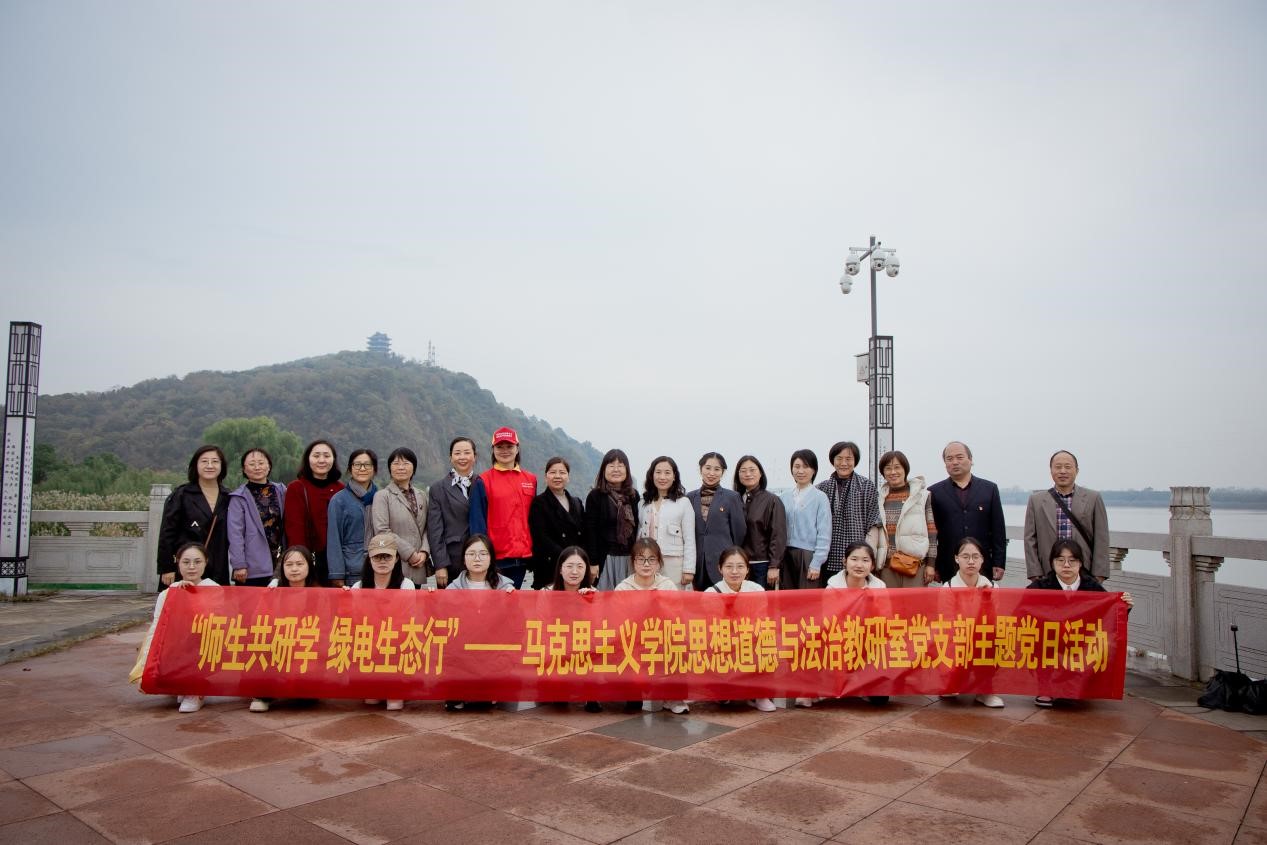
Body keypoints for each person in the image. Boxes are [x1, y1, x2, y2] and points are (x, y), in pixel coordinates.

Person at [1027, 539, 1134, 707]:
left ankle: (1079, 684)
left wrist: (1124, 607)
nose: (1066, 565)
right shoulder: (1040, 586)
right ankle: (1046, 687)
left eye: (1072, 560)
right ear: (1052, 563)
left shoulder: (1091, 587)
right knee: (1037, 639)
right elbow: (1020, 612)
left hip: (1081, 642)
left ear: (1080, 563)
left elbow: (1109, 616)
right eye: (1060, 560)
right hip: (1051, 642)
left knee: (1103, 642)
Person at [132, 542, 220, 712]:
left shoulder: (214, 589)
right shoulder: (168, 593)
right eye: (186, 562)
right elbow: (158, 626)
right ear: (178, 562)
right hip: (176, 645)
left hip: (203, 644)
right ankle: (182, 685)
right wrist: (145, 666)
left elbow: (217, 624)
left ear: (206, 563)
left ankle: (196, 691)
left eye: (197, 562)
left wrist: (193, 598)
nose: (192, 567)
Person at [445, 533, 514, 713]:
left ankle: (488, 688)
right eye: (471, 554)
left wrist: (512, 601)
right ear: (464, 558)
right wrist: (432, 598)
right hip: (462, 650)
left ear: (491, 558)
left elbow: (513, 626)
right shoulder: (452, 589)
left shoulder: (506, 588)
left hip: (492, 650)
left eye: (483, 554)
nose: (477, 559)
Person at [615, 538, 685, 714]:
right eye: (641, 559)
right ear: (633, 562)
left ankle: (673, 698)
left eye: (651, 559)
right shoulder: (623, 588)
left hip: (662, 642)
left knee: (680, 645)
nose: (646, 564)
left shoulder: (667, 585)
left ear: (659, 562)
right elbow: (617, 622)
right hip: (633, 644)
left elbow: (677, 618)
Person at [705, 547, 776, 713]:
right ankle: (724, 688)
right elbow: (710, 628)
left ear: (748, 569)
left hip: (751, 640)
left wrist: (747, 635)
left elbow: (762, 620)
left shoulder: (756, 590)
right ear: (720, 568)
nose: (734, 572)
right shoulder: (711, 593)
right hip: (723, 643)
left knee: (767, 641)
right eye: (729, 566)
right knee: (723, 698)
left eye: (740, 566)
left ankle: (760, 694)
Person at [1023, 450, 1110, 582]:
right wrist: (1034, 572)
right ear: (1051, 471)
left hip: (1083, 570)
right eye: (1058, 467)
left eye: (1068, 467)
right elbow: (1030, 538)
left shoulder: (1093, 498)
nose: (1063, 471)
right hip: (1048, 571)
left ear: (1077, 470)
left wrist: (1099, 573)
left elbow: (1101, 537)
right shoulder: (1036, 500)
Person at [351, 533, 415, 712]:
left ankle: (397, 686)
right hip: (369, 646)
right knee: (370, 701)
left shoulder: (406, 585)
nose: (382, 561)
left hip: (396, 645)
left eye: (387, 556)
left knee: (394, 705)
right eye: (377, 557)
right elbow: (354, 623)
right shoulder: (357, 588)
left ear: (396, 558)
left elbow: (408, 621)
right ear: (369, 559)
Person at [928, 442, 1007, 585]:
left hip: (982, 562)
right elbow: (931, 534)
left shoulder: (989, 489)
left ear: (970, 459)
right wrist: (933, 565)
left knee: (983, 598)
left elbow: (998, 530)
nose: (955, 462)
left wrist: (999, 562)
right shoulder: (934, 492)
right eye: (949, 459)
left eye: (959, 457)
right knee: (950, 599)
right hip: (948, 563)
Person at [253, 545, 320, 713]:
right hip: (277, 648)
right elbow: (258, 623)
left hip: (306, 649)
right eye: (289, 564)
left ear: (309, 566)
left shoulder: (320, 593)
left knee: (307, 698)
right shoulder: (272, 592)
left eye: (300, 564)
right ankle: (263, 695)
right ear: (282, 568)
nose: (294, 569)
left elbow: (326, 627)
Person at [940, 536, 1004, 708]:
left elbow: (995, 621)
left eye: (976, 557)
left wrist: (985, 601)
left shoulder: (992, 587)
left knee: (992, 639)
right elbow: (946, 623)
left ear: (982, 559)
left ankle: (985, 690)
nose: (971, 561)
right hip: (957, 640)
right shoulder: (948, 588)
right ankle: (951, 678)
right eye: (965, 556)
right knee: (952, 687)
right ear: (956, 558)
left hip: (981, 639)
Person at [469, 427, 536, 589]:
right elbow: (477, 523)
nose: (505, 451)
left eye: (509, 446)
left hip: (523, 557)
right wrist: (482, 555)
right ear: (493, 450)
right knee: (493, 602)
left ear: (517, 448)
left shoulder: (531, 479)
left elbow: (534, 519)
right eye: (499, 447)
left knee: (513, 601)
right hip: (496, 559)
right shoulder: (483, 481)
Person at [825, 541, 888, 706]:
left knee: (881, 699)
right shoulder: (832, 587)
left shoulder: (880, 587)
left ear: (872, 565)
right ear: (844, 561)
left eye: (865, 560)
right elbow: (827, 622)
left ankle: (862, 682)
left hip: (869, 643)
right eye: (854, 559)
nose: (859, 565)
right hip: (839, 642)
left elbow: (885, 619)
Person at [158, 445, 231, 588]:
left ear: (222, 466)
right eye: (204, 461)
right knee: (183, 601)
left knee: (215, 602)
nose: (210, 465)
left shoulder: (228, 496)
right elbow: (167, 533)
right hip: (187, 566)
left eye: (215, 461)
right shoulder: (181, 495)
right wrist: (167, 567)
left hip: (217, 566)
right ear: (195, 465)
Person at [816, 441, 882, 587]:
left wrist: (868, 555)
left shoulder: (866, 486)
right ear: (832, 460)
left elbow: (873, 523)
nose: (844, 463)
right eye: (839, 458)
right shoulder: (822, 488)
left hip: (858, 557)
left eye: (848, 459)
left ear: (855, 461)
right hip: (828, 555)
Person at [547, 546, 601, 713]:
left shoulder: (594, 593)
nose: (575, 572)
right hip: (557, 646)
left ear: (586, 570)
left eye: (580, 566)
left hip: (584, 646)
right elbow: (541, 625)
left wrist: (589, 603)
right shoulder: (547, 593)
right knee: (559, 699)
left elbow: (600, 628)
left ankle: (591, 694)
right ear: (560, 569)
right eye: (569, 566)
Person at [874, 450, 938, 588]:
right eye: (888, 468)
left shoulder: (922, 496)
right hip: (887, 566)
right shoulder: (878, 498)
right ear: (883, 472)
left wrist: (931, 564)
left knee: (914, 601)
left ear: (905, 469)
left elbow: (932, 531)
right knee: (888, 601)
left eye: (897, 467)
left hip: (914, 565)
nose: (893, 472)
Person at [284, 440, 344, 585]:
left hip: (337, 560)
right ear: (308, 459)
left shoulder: (341, 489)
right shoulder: (296, 488)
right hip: (308, 558)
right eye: (316, 456)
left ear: (333, 460)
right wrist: (300, 561)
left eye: (326, 456)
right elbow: (294, 529)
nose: (321, 460)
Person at [226, 448, 287, 587]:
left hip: (279, 562)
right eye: (252, 464)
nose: (257, 467)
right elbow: (235, 534)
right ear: (244, 469)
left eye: (261, 463)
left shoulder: (280, 490)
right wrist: (239, 564)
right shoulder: (239, 497)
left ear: (269, 466)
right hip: (252, 565)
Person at [372, 447, 431, 586]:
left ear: (414, 468)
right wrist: (410, 554)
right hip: (395, 565)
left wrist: (424, 552)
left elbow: (428, 527)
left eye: (406, 463)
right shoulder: (382, 496)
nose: (401, 467)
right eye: (396, 463)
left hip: (418, 566)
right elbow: (382, 530)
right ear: (390, 468)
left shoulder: (421, 495)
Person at [687, 453, 746, 591]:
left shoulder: (732, 497)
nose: (711, 473)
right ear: (700, 469)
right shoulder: (690, 497)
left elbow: (739, 532)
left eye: (717, 469)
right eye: (708, 468)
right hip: (698, 564)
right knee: (700, 601)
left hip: (723, 562)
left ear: (723, 472)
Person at [585, 448, 640, 592]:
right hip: (605, 558)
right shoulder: (595, 496)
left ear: (627, 470)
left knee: (628, 597)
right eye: (611, 466)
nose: (616, 469)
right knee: (604, 597)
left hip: (629, 558)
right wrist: (593, 562)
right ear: (604, 469)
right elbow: (590, 531)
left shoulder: (633, 496)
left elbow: (637, 528)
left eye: (620, 466)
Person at [637, 456, 695, 589]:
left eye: (667, 473)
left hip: (674, 565)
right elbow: (639, 535)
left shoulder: (683, 503)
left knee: (673, 599)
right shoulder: (643, 503)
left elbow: (689, 539)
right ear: (652, 475)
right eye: (658, 472)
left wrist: (689, 569)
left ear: (674, 476)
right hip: (647, 563)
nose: (662, 477)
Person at [528, 457, 586, 590]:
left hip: (574, 566)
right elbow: (540, 537)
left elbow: (584, 533)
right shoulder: (539, 503)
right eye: (553, 472)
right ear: (545, 477)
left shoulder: (577, 503)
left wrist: (579, 558)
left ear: (568, 477)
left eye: (562, 472)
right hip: (550, 564)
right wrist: (566, 557)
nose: (557, 476)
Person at [427, 436, 477, 589]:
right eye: (457, 453)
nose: (462, 457)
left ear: (474, 456)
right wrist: (440, 565)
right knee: (449, 603)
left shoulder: (483, 483)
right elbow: (435, 530)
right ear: (450, 457)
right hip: (452, 560)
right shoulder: (438, 489)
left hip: (480, 559)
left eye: (467, 452)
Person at [779, 449, 831, 590]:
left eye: (806, 466)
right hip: (786, 554)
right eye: (797, 466)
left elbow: (824, 532)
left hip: (808, 555)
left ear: (814, 470)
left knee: (808, 597)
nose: (800, 471)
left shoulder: (820, 497)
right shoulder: (784, 497)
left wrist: (817, 562)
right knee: (787, 597)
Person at [326, 449, 378, 588]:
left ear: (374, 469)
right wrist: (337, 574)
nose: (362, 468)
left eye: (367, 464)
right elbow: (334, 539)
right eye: (357, 464)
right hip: (352, 571)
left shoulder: (381, 498)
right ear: (350, 469)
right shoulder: (339, 500)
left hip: (380, 570)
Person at [733, 455, 786, 589]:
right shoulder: (735, 499)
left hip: (761, 564)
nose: (748, 474)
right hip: (738, 564)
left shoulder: (772, 500)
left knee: (760, 600)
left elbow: (778, 535)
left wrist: (774, 566)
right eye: (743, 471)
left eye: (752, 470)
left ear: (761, 473)